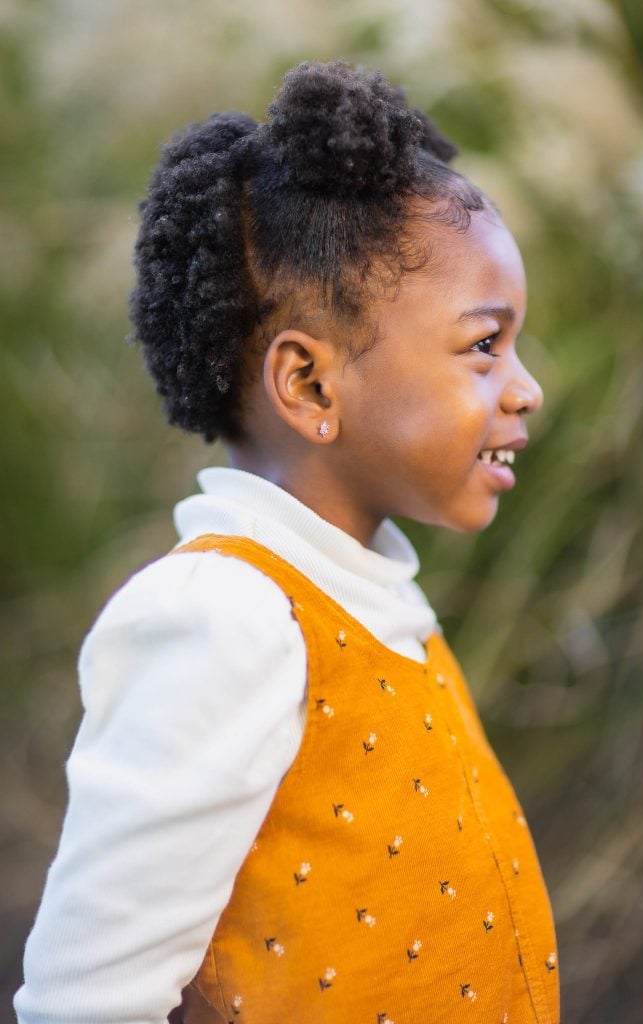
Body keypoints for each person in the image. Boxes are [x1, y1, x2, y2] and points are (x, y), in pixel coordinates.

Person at [15, 61, 559, 1023]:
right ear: (309, 386)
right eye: (484, 345)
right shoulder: (222, 617)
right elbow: (87, 998)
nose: (526, 389)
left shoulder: (372, 594)